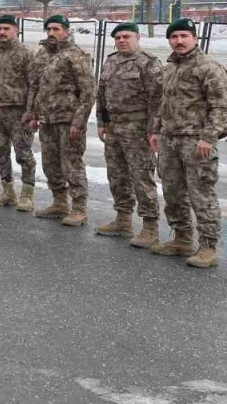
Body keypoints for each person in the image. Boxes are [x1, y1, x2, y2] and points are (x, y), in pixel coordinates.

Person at [149, 18, 226, 268]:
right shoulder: (169, 68)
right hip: (170, 140)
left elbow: (220, 106)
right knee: (173, 192)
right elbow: (162, 103)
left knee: (201, 194)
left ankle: (208, 247)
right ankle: (182, 239)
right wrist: (156, 130)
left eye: (184, 36)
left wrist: (208, 137)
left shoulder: (208, 67)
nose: (179, 41)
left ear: (194, 38)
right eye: (174, 37)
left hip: (196, 142)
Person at [95, 22, 163, 245]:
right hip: (114, 128)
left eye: (126, 36)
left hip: (138, 129)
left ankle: (150, 227)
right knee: (117, 175)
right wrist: (102, 122)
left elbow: (157, 100)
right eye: (118, 38)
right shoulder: (110, 61)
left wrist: (154, 130)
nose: (122, 40)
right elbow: (101, 94)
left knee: (142, 177)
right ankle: (123, 219)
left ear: (137, 38)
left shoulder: (148, 63)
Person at [27, 15, 95, 226]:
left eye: (56, 29)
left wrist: (79, 121)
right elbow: (35, 86)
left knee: (71, 164)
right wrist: (32, 113)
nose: (51, 33)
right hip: (47, 118)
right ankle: (59, 202)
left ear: (66, 31)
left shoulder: (76, 55)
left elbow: (88, 91)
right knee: (50, 163)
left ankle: (79, 208)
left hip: (68, 119)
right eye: (49, 29)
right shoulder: (42, 54)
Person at [0, 14, 38, 210]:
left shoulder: (26, 53)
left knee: (23, 155)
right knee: (1, 153)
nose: (2, 32)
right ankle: (8, 191)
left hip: (18, 112)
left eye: (6, 29)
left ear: (16, 30)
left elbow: (34, 85)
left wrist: (31, 111)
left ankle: (27, 195)